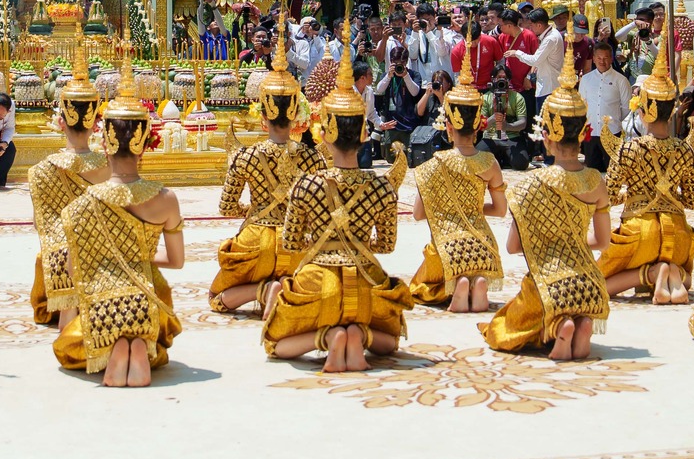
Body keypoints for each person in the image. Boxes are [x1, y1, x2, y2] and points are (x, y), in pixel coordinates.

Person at [262, 24, 411, 372]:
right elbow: (385, 245)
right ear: (363, 134)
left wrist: (324, 245)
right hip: (365, 278)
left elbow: (291, 242)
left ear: (324, 132)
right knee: (391, 338)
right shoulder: (382, 187)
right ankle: (359, 334)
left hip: (318, 279)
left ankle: (328, 338)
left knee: (275, 343)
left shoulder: (306, 185)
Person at [53, 41, 183, 387]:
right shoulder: (167, 199)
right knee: (151, 319)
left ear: (106, 142)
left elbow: (73, 272)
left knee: (67, 348)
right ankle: (139, 344)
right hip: (145, 301)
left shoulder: (80, 205)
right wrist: (137, 257)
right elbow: (176, 261)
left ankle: (115, 348)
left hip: (103, 306)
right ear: (144, 143)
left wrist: (108, 266)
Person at [481, 50, 611, 360]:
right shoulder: (596, 182)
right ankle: (581, 323)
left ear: (546, 135)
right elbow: (603, 241)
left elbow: (514, 247)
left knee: (502, 328)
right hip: (589, 285)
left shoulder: (528, 185)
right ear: (584, 133)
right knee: (576, 301)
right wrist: (571, 241)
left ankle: (556, 328)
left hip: (549, 287)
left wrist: (550, 245)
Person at [210, 17, 323, 314]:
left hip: (256, 241)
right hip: (296, 242)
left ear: (263, 116)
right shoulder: (313, 158)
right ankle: (287, 287)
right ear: (297, 115)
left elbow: (226, 207)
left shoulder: (245, 156)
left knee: (217, 298)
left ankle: (261, 290)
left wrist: (254, 211)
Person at [405, 24, 507, 313]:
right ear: (479, 125)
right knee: (475, 264)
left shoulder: (432, 165)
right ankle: (476, 282)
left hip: (448, 249)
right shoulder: (489, 163)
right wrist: (472, 208)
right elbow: (500, 211)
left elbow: (418, 214)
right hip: (483, 247)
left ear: (447, 126)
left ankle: (458, 284)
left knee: (420, 288)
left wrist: (449, 210)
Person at [598, 46, 694, 305]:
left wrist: (628, 197)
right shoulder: (685, 149)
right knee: (688, 279)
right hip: (677, 232)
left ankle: (652, 274)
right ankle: (673, 272)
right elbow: (692, 201)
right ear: (673, 110)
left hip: (640, 231)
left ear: (643, 111)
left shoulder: (628, 149)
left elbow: (608, 196)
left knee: (597, 284)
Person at [27, 35, 106, 326]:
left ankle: (66, 305)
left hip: (61, 258)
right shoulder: (111, 168)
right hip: (104, 258)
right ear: (96, 124)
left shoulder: (40, 171)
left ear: (61, 122)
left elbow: (41, 226)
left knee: (48, 253)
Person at [577, 39, 632, 171]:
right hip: (591, 131)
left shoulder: (621, 80)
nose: (602, 61)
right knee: (592, 170)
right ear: (594, 59)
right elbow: (582, 104)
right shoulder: (586, 79)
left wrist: (615, 120)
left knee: (612, 170)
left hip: (612, 132)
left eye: (606, 58)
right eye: (599, 58)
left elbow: (626, 107)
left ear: (611, 59)